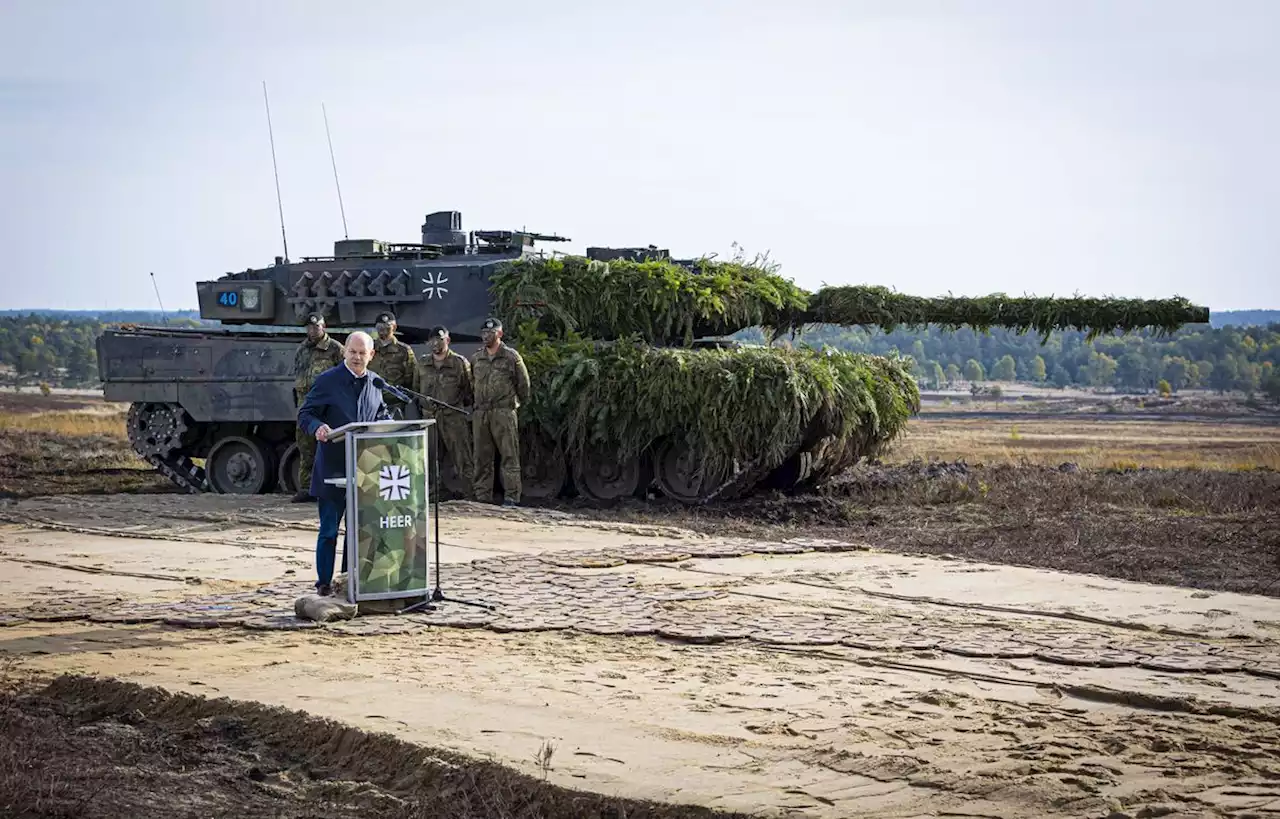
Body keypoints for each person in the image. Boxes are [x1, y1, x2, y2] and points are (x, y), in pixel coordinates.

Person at [296, 331, 392, 596]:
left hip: (365, 470)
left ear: (371, 356)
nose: (358, 357)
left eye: (363, 353)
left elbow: (381, 413)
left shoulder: (376, 384)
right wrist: (317, 427)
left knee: (357, 531)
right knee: (329, 531)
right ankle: (324, 584)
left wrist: (388, 425)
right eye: (353, 352)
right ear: (345, 352)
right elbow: (305, 414)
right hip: (333, 469)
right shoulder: (327, 381)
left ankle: (349, 581)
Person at [469, 317, 530, 506]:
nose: (486, 336)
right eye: (484, 333)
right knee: (481, 456)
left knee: (509, 455)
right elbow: (472, 383)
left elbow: (524, 385)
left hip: (503, 411)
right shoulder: (476, 358)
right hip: (481, 413)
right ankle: (482, 496)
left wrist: (514, 404)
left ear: (500, 334)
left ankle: (512, 496)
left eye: (491, 333)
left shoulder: (511, 356)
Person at [413, 325, 474, 499]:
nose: (436, 344)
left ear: (447, 340)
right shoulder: (422, 363)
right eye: (432, 341)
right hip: (430, 417)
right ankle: (433, 493)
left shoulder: (459, 363)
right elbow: (416, 388)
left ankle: (469, 493)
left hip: (453, 416)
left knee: (462, 456)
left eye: (440, 340)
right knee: (430, 457)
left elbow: (468, 390)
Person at [291, 313, 344, 503]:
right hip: (305, 405)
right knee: (306, 447)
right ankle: (306, 489)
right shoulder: (302, 350)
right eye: (310, 327)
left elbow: (344, 377)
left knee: (329, 446)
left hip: (326, 406)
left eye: (317, 327)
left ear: (324, 327)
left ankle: (330, 487)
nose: (313, 330)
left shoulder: (335, 349)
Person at [372, 312, 416, 417]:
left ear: (394, 327)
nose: (383, 331)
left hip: (396, 405)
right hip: (372, 404)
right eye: (380, 328)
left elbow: (413, 379)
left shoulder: (404, 351)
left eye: (387, 327)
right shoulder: (369, 348)